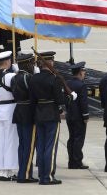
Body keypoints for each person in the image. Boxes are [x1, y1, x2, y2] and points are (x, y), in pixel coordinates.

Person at [29, 51, 77, 185]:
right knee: (50, 147)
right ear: (50, 62)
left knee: (42, 145)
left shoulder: (34, 78)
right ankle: (47, 176)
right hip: (51, 115)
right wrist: (71, 97)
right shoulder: (54, 79)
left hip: (39, 115)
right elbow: (59, 99)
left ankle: (41, 174)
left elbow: (32, 100)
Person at [11, 53, 39, 183]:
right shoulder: (29, 78)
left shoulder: (14, 78)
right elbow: (34, 96)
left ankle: (22, 171)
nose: (33, 66)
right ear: (27, 64)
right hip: (28, 112)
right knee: (29, 145)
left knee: (22, 145)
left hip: (18, 111)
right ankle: (25, 174)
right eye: (32, 64)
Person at [0, 50, 19, 181]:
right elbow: (18, 92)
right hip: (10, 108)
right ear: (8, 61)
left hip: (0, 109)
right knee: (10, 140)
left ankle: (3, 169)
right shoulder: (11, 76)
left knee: (3, 140)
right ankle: (7, 171)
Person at [66, 61, 90, 170]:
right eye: (83, 71)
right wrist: (85, 116)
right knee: (78, 139)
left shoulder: (68, 83)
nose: (84, 73)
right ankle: (77, 161)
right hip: (79, 116)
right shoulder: (81, 85)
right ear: (80, 73)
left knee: (72, 138)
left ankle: (71, 160)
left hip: (69, 115)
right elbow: (83, 103)